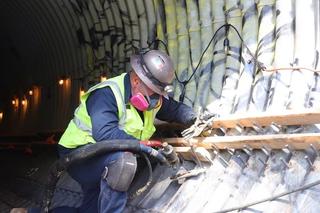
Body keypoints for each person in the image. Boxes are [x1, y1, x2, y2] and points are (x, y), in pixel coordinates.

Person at [12, 49, 195, 213]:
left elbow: (174, 109)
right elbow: (106, 135)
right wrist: (143, 146)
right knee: (124, 163)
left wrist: (194, 117)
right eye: (153, 91)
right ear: (136, 80)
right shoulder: (106, 94)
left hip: (105, 158)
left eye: (159, 92)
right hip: (79, 155)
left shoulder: (152, 99)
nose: (157, 98)